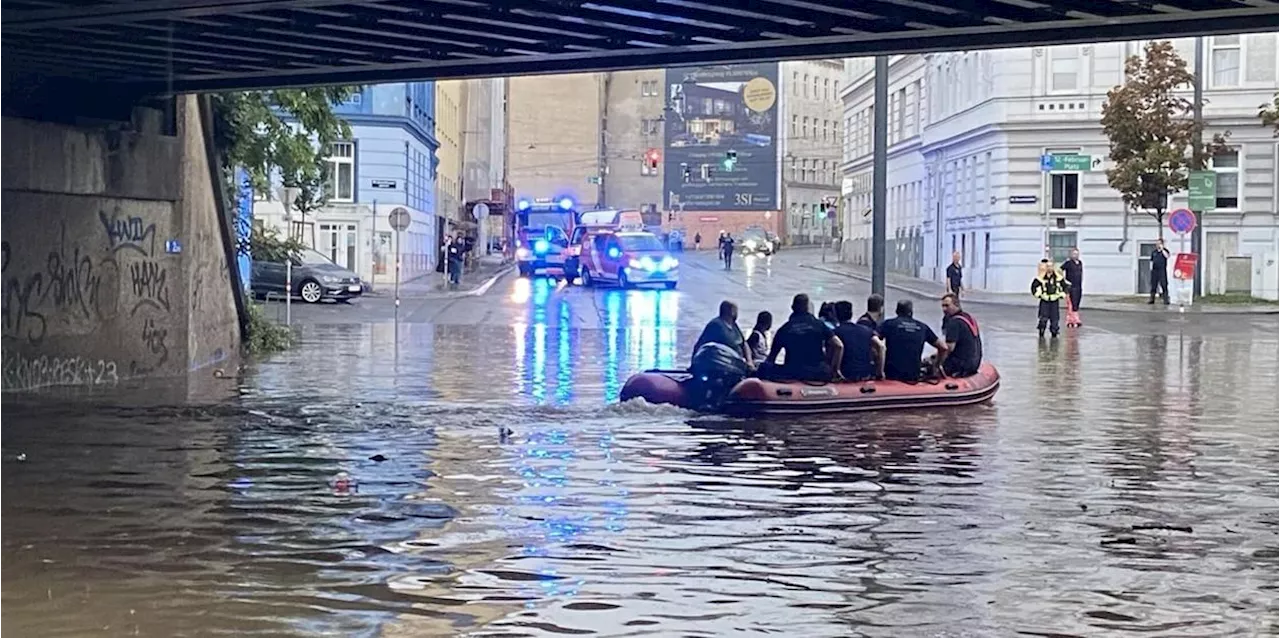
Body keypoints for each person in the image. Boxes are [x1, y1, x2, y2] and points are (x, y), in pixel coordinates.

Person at [761, 293, 844, 382]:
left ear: (792, 307)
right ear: (808, 308)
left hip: (793, 372)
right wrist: (835, 370)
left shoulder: (785, 329)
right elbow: (838, 345)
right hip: (818, 372)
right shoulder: (819, 325)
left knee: (764, 367)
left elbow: (771, 358)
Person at [879, 299, 948, 382]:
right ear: (911, 312)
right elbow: (943, 347)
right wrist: (936, 365)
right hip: (913, 375)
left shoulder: (888, 324)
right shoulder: (922, 327)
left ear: (896, 311)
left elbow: (873, 340)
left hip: (892, 374)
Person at [834, 300, 885, 381]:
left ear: (836, 315)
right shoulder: (866, 330)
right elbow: (881, 346)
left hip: (846, 375)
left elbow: (838, 347)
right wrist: (880, 371)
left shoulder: (836, 332)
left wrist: (836, 370)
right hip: (865, 374)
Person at [693, 300, 752, 367]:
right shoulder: (715, 325)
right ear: (731, 312)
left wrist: (749, 361)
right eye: (736, 310)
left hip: (738, 362)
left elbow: (744, 344)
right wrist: (694, 363)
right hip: (723, 364)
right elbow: (700, 344)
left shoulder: (734, 325)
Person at [939, 293, 982, 377]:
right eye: (943, 306)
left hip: (960, 365)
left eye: (947, 306)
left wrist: (937, 361)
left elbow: (949, 348)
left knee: (929, 365)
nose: (944, 309)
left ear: (956, 305)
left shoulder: (954, 323)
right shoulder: (969, 318)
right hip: (975, 363)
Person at [1031, 259, 1070, 338]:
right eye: (1048, 266)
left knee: (1055, 322)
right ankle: (1041, 334)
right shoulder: (1041, 278)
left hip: (1054, 302)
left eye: (1051, 266)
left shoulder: (1058, 278)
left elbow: (1066, 287)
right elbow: (1033, 287)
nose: (1049, 268)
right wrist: (1038, 294)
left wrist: (1062, 294)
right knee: (1043, 320)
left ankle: (1054, 335)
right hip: (1044, 301)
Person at [1061, 248, 1084, 327]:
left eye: (1077, 254)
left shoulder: (1080, 263)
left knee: (1076, 303)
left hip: (1078, 286)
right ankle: (1070, 319)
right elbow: (1059, 270)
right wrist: (1064, 280)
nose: (1076, 255)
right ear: (1071, 254)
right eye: (1074, 254)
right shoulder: (1068, 263)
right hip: (1070, 287)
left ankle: (1075, 319)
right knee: (1071, 304)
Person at [1149, 238, 1170, 305]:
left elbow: (1167, 256)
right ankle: (1152, 299)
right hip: (1155, 270)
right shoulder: (1154, 252)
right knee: (1153, 285)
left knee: (1164, 285)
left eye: (1159, 243)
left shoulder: (1165, 251)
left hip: (1162, 270)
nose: (1157, 245)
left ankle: (1166, 300)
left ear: (1162, 244)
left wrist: (1162, 249)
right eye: (1157, 243)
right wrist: (1151, 269)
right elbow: (1151, 261)